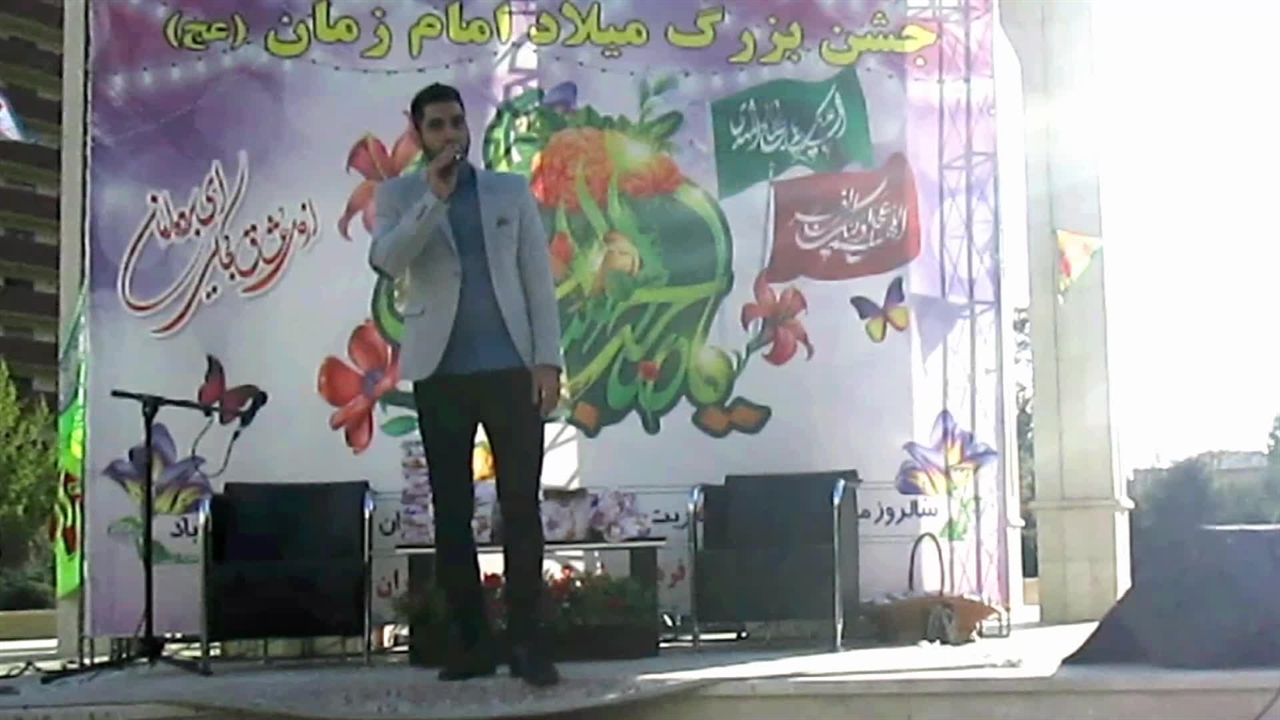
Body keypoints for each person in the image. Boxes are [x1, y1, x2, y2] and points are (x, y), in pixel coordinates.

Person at [368, 83, 563, 687]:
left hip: (512, 370)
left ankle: (526, 643)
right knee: (452, 513)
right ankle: (473, 644)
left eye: (456, 122)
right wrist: (433, 197)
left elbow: (536, 279)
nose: (450, 134)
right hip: (441, 374)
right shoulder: (398, 195)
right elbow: (387, 261)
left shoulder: (508, 190)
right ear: (418, 133)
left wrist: (548, 362)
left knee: (520, 509)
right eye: (436, 125)